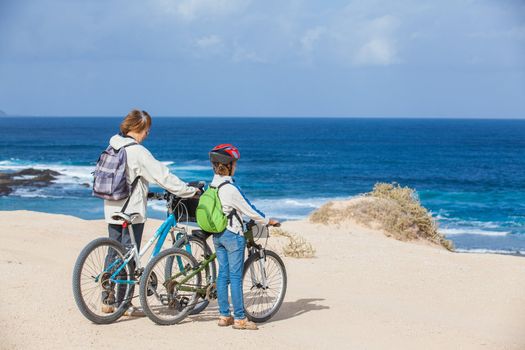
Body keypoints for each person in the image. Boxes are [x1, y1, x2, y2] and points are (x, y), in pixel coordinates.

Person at [103, 109, 200, 316]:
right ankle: (125, 304)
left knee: (115, 251)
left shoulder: (113, 146)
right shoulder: (138, 152)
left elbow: (127, 178)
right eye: (147, 130)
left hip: (112, 207)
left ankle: (107, 299)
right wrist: (190, 191)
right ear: (139, 128)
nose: (148, 134)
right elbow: (163, 176)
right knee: (129, 255)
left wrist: (147, 193)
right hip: (131, 211)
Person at [208, 144, 279, 330]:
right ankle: (239, 318)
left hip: (218, 235)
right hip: (233, 235)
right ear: (228, 165)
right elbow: (249, 209)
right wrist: (267, 220)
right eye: (234, 163)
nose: (236, 166)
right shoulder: (230, 188)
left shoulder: (213, 185)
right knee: (236, 276)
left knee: (223, 275)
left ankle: (224, 316)